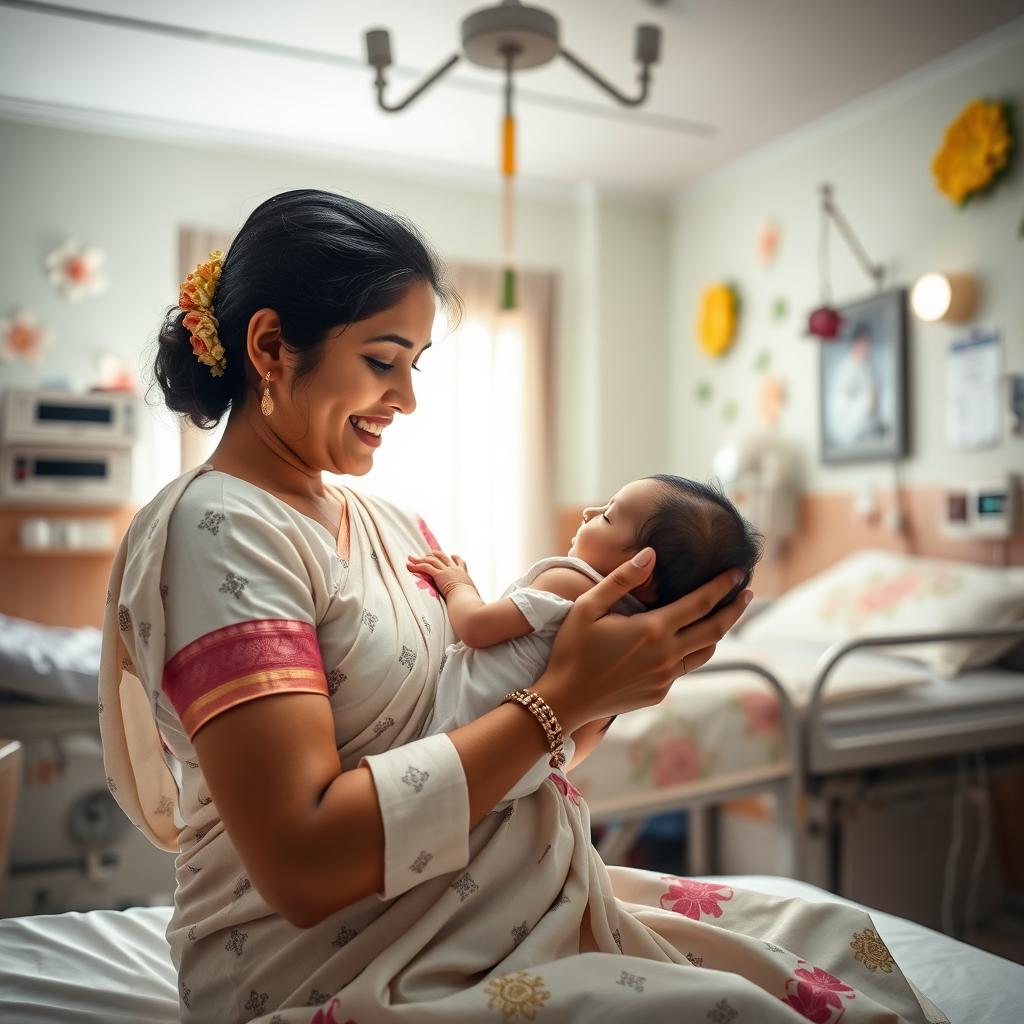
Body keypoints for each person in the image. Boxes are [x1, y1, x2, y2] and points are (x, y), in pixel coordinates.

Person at [99, 189, 943, 1023]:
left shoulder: (396, 527)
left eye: (415, 366)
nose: (407, 399)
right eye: (383, 360)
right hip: (331, 958)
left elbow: (507, 762)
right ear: (272, 346)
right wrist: (567, 699)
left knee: (825, 935)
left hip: (485, 911)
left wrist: (610, 685)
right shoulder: (221, 530)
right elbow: (306, 865)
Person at [410, 475, 764, 802]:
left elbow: (475, 627)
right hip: (512, 777)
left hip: (452, 738)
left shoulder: (570, 581)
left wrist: (458, 584)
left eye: (608, 516)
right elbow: (576, 748)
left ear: (643, 569)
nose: (588, 512)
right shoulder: (630, 643)